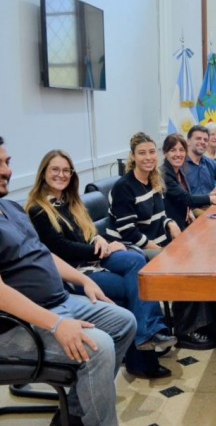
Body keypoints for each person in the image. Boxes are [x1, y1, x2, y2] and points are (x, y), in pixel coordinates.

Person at [0, 136, 136, 426]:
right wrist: (57, 324)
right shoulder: (35, 208)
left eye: (7, 162)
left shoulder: (11, 208)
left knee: (124, 323)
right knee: (98, 348)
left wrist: (83, 281)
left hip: (61, 300)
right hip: (16, 326)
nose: (6, 170)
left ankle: (74, 414)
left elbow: (44, 254)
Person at [26, 150, 176, 379]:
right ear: (43, 173)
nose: (61, 174)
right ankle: (144, 350)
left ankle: (148, 335)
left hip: (93, 258)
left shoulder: (70, 202)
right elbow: (60, 249)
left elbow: (86, 234)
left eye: (66, 170)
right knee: (131, 288)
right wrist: (98, 250)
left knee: (137, 261)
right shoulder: (38, 210)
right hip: (73, 273)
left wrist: (99, 240)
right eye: (55, 170)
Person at [108, 132, 216, 350]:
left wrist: (169, 223)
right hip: (132, 248)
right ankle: (186, 331)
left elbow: (160, 214)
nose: (147, 157)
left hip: (157, 241)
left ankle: (198, 322)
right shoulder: (124, 187)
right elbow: (129, 232)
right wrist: (157, 248)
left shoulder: (153, 180)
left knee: (199, 255)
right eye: (142, 153)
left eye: (150, 152)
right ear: (132, 157)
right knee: (184, 266)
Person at [162, 133, 216, 230]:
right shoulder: (165, 174)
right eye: (173, 150)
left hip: (185, 220)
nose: (178, 154)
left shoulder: (180, 170)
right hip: (172, 227)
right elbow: (187, 199)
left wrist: (210, 194)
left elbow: (182, 197)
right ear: (165, 153)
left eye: (182, 150)